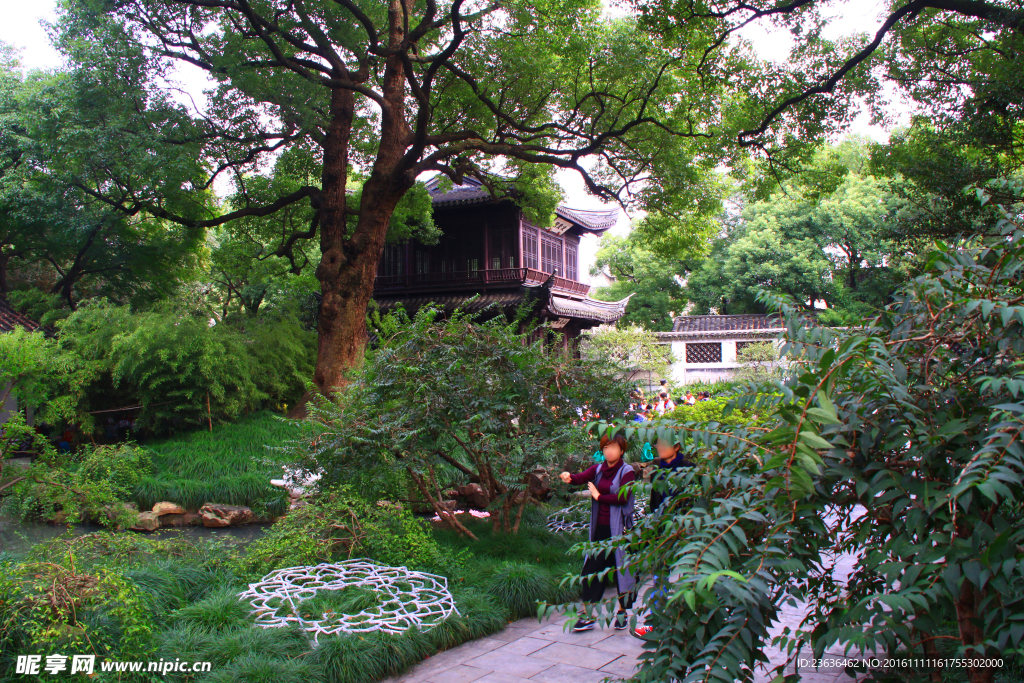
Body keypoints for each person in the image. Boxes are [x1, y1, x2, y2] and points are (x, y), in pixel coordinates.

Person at [559, 433, 637, 632]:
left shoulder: (627, 472)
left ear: (621, 450)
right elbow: (580, 478)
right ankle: (587, 616)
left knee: (621, 572)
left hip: (619, 532)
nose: (609, 451)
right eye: (605, 447)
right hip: (600, 531)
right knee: (590, 572)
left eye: (613, 447)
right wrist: (569, 477)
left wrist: (599, 496)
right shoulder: (599, 469)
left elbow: (622, 497)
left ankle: (621, 613)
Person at [633, 436, 692, 639]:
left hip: (684, 531)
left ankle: (685, 625)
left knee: (688, 577)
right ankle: (656, 622)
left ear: (677, 446)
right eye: (658, 444)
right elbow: (654, 501)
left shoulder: (689, 469)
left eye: (664, 445)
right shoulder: (657, 469)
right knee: (660, 575)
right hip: (660, 531)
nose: (659, 448)